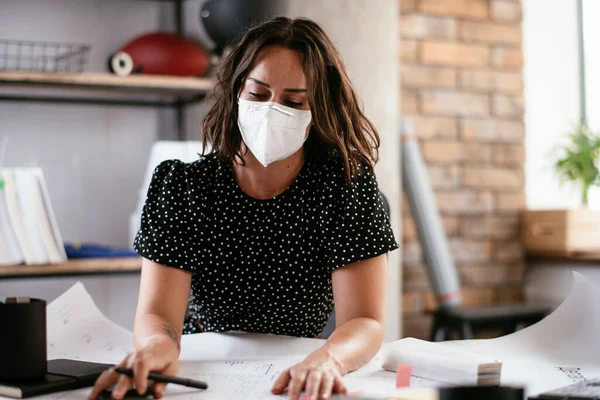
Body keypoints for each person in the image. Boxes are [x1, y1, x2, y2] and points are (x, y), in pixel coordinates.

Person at [90, 16, 398, 400]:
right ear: (236, 92)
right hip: (205, 370)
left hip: (295, 369)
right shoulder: (183, 187)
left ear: (317, 108)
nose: (273, 110)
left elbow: (364, 320)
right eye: (258, 94)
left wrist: (329, 360)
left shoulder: (345, 186)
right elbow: (159, 315)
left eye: (294, 101)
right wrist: (156, 346)